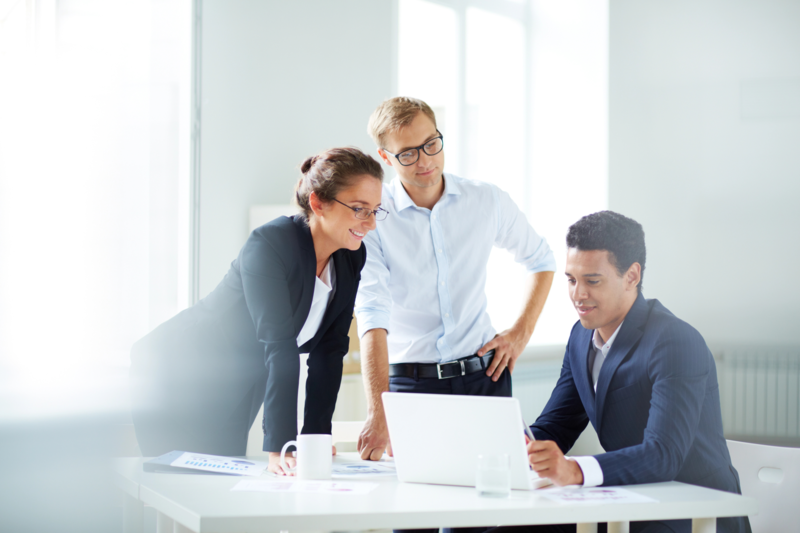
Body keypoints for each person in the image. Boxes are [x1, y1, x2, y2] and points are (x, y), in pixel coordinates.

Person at [129, 147, 386, 475]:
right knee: (187, 489)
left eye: (376, 211)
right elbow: (279, 347)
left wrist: (314, 440)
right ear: (318, 202)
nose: (371, 224)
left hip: (239, 377)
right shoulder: (271, 244)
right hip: (176, 375)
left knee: (222, 490)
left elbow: (330, 351)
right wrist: (282, 445)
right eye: (360, 209)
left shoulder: (351, 256)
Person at [501, 210, 750, 533]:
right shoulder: (580, 337)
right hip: (630, 499)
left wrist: (574, 470)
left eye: (592, 281)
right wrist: (513, 447)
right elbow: (557, 426)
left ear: (632, 276)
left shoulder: (675, 341)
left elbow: (663, 454)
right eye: (572, 280)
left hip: (692, 510)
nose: (578, 295)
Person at [355, 96, 557, 472]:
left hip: (484, 380)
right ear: (386, 158)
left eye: (431, 143)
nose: (426, 160)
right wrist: (378, 410)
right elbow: (372, 313)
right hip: (411, 389)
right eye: (408, 154)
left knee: (485, 515)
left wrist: (519, 333)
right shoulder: (375, 217)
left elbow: (541, 260)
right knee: (416, 520)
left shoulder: (486, 200)